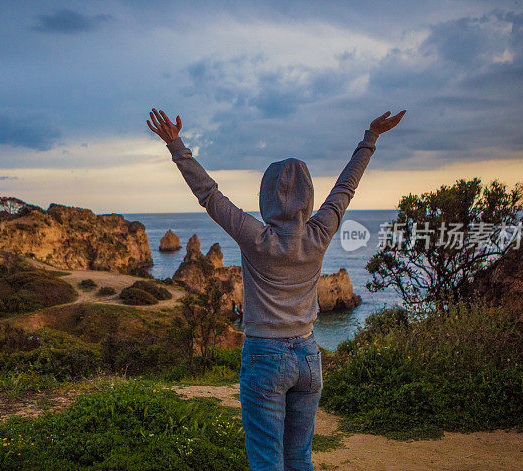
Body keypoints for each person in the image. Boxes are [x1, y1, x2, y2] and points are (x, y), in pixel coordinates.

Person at [146, 108, 405, 471]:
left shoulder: (255, 236)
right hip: (308, 354)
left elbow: (208, 194)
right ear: (309, 197)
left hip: (264, 355)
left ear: (265, 196)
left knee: (267, 461)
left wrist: (176, 145)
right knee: (300, 457)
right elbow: (345, 188)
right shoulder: (319, 232)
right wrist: (370, 139)